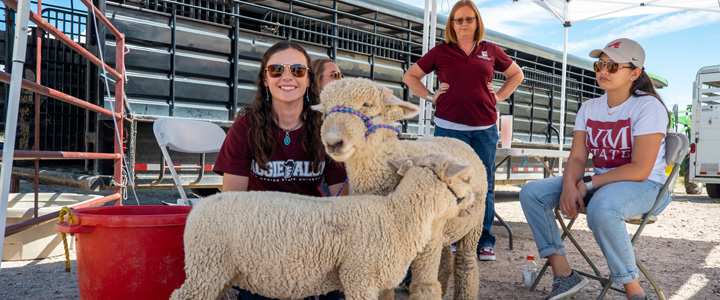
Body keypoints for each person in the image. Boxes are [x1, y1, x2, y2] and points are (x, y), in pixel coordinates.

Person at [519, 38, 670, 300]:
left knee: (602, 206)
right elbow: (577, 158)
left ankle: (634, 292)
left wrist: (586, 184)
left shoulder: (648, 106)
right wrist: (569, 187)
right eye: (600, 64)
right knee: (532, 192)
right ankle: (564, 275)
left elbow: (641, 169)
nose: (603, 71)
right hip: (602, 184)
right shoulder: (590, 108)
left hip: (646, 187)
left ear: (635, 73)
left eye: (613, 66)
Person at [213, 40, 349, 300]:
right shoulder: (246, 127)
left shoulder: (326, 127)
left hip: (311, 235)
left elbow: (342, 197)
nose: (287, 77)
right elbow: (232, 203)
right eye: (276, 70)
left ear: (309, 80)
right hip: (259, 235)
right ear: (265, 79)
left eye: (297, 70)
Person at [402, 0, 524, 261]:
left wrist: (500, 96)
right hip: (449, 129)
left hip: (484, 130)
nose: (465, 24)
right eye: (459, 20)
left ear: (477, 22)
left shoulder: (490, 50)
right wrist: (430, 96)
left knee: (484, 187)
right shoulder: (440, 51)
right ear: (452, 24)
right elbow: (410, 76)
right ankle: (453, 238)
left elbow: (517, 75)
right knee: (448, 184)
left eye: (469, 19)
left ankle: (484, 240)